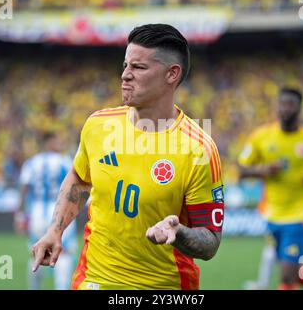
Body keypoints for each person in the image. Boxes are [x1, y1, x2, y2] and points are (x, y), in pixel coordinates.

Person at [31, 24, 225, 290]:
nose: (125, 75)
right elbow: (79, 178)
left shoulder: (199, 149)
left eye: (139, 67)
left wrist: (178, 233)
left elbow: (210, 241)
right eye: (125, 65)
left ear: (172, 74)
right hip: (93, 280)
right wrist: (55, 230)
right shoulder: (98, 125)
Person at [238, 87, 303, 290]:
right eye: (282, 104)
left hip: (300, 216)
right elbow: (242, 169)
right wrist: (264, 170)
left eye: (291, 104)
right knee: (296, 272)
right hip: (271, 216)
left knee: (287, 277)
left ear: (300, 108)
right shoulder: (261, 136)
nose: (286, 109)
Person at [15, 131, 78, 290]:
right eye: (57, 140)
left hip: (37, 213)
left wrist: (20, 215)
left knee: (37, 252)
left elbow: (23, 189)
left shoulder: (31, 163)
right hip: (61, 212)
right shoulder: (64, 161)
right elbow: (75, 186)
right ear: (49, 142)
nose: (60, 143)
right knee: (64, 253)